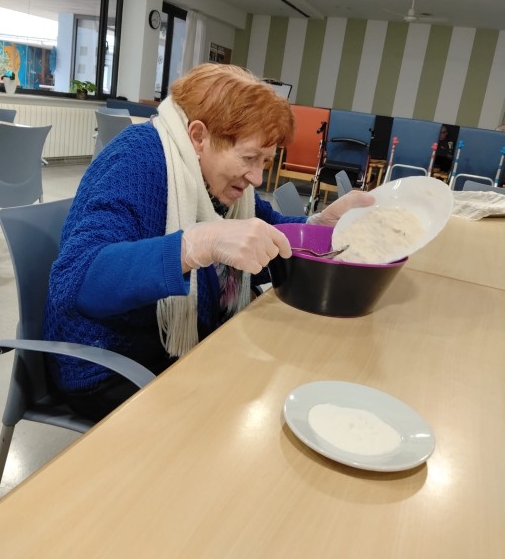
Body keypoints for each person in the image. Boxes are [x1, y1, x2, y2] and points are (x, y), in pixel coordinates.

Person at [44, 63, 373, 421]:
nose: (257, 177)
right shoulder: (135, 161)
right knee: (247, 413)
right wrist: (194, 246)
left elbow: (267, 230)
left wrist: (319, 225)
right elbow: (76, 283)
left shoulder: (210, 177)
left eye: (265, 162)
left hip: (181, 346)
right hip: (111, 363)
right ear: (199, 136)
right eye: (249, 158)